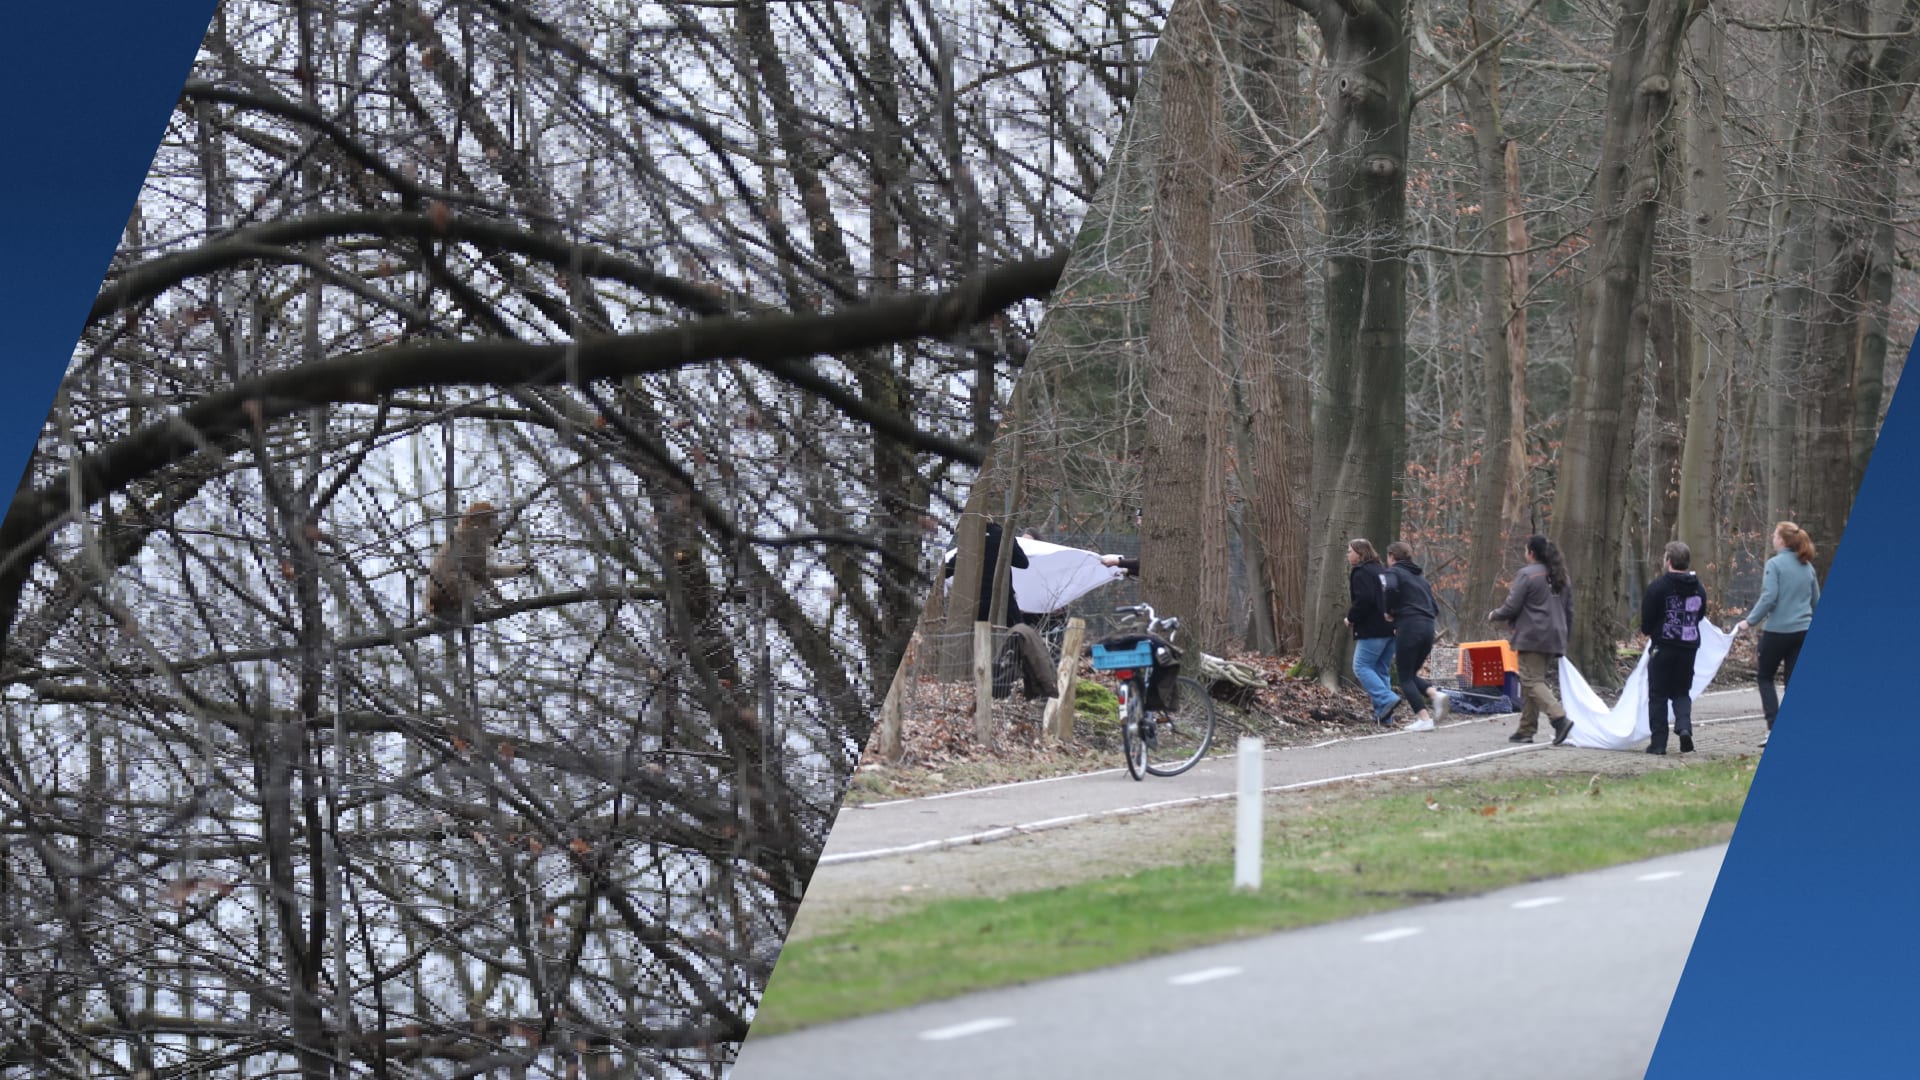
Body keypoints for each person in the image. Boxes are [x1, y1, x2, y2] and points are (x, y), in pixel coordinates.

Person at [1487, 534, 1575, 745]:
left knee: (1531, 681)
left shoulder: (1527, 575)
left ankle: (1558, 717)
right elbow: (1569, 610)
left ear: (1531, 553)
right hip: (1555, 635)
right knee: (1531, 682)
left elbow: (1512, 606)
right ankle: (1526, 729)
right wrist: (1565, 636)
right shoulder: (1561, 575)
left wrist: (1495, 614)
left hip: (1533, 635)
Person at [1742, 521, 1820, 748]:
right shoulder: (1808, 567)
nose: (1772, 538)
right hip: (1802, 631)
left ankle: (1773, 728)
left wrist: (1750, 621)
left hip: (1777, 631)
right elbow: (1816, 601)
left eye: (1775, 534)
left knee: (1765, 677)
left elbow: (1769, 597)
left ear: (1782, 540)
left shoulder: (1774, 565)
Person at [1642, 541, 1707, 755]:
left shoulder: (1658, 587)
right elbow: (1700, 616)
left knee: (1658, 694)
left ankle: (1659, 743)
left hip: (1663, 646)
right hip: (1688, 648)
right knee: (1681, 691)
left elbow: (1646, 621)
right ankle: (1684, 727)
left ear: (1668, 561)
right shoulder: (1699, 589)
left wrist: (1652, 630)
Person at [1385, 542, 1448, 732]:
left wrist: (1389, 611)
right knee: (1411, 674)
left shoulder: (1393, 572)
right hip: (1428, 627)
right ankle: (1435, 695)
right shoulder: (1420, 579)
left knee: (1404, 677)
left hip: (1409, 626)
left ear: (1391, 557)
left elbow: (1389, 590)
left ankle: (1424, 718)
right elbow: (1435, 608)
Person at [1345, 539, 1400, 727]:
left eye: (1350, 551)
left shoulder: (1361, 572)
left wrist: (1351, 618)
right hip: (1390, 628)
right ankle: (1384, 716)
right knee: (1381, 670)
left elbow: (1364, 600)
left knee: (1361, 666)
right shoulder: (1383, 571)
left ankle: (1387, 698)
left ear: (1360, 553)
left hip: (1372, 629)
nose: (1347, 554)